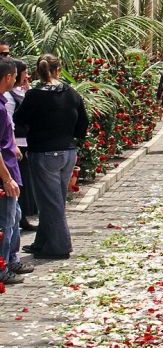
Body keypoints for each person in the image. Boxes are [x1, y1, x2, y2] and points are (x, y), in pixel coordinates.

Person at [14, 54, 89, 260]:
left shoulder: (34, 96)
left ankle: (59, 246)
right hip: (68, 152)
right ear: (59, 69)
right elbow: (83, 123)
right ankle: (42, 241)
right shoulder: (72, 93)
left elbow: (18, 120)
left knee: (50, 201)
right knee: (54, 200)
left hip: (44, 153)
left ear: (38, 71)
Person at [0, 58, 31, 284]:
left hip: (10, 165)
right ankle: (3, 267)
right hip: (5, 173)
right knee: (6, 221)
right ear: (9, 77)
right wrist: (7, 178)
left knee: (15, 216)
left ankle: (11, 259)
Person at [4, 59, 37, 231]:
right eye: (24, 73)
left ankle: (21, 217)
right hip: (15, 145)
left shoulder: (19, 92)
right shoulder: (7, 98)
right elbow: (9, 124)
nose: (27, 76)